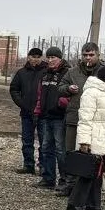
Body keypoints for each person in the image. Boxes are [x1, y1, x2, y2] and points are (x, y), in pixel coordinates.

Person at [66, 64, 105, 210]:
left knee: (98, 174)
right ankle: (75, 204)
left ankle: (93, 204)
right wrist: (84, 141)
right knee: (88, 173)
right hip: (94, 138)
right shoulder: (91, 93)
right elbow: (85, 119)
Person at [58, 41, 102, 194]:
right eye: (85, 55)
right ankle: (70, 184)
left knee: (92, 154)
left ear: (98, 55)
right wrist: (68, 88)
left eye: (91, 55)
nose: (88, 58)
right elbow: (60, 87)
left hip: (95, 120)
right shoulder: (73, 72)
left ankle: (87, 188)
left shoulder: (103, 72)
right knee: (71, 152)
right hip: (74, 118)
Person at [34, 46, 71, 192]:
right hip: (45, 116)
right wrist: (38, 110)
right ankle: (48, 178)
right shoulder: (45, 74)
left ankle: (64, 180)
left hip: (59, 117)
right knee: (46, 148)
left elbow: (70, 92)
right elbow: (40, 94)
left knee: (60, 150)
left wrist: (62, 103)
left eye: (53, 57)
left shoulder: (67, 73)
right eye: (48, 57)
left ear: (60, 58)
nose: (50, 60)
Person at [9, 47, 45, 174]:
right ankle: (28, 165)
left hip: (43, 113)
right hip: (26, 112)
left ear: (41, 58)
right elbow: (14, 89)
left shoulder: (46, 72)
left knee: (44, 141)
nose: (35, 59)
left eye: (38, 57)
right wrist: (21, 103)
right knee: (27, 140)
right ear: (28, 57)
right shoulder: (21, 73)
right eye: (33, 57)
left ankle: (43, 166)